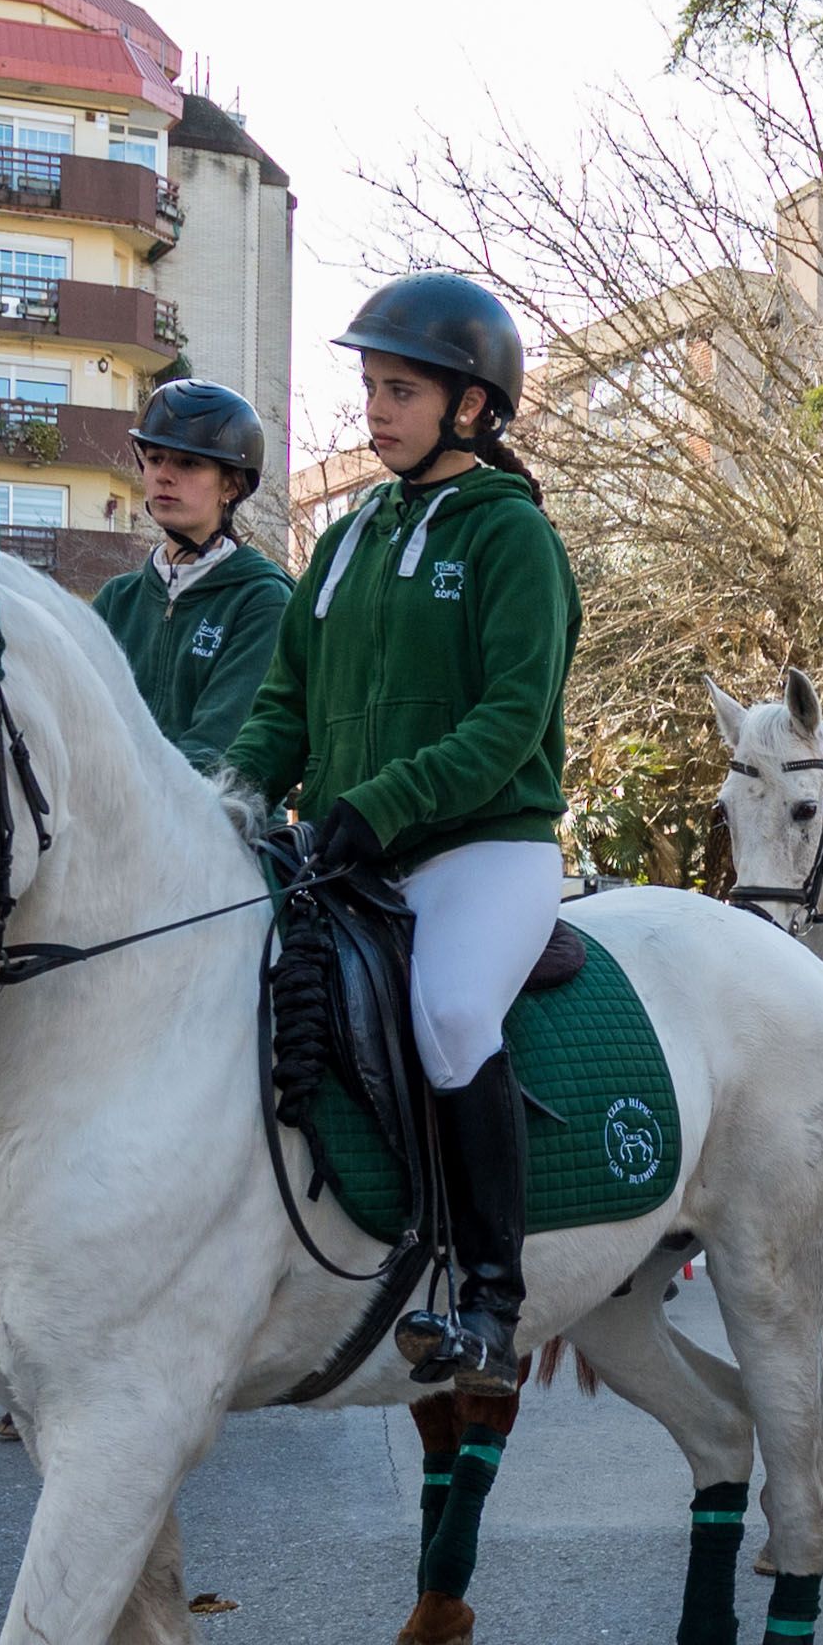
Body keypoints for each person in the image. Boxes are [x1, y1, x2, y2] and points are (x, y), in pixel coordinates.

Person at [224, 271, 576, 1388]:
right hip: (349, 848)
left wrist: (377, 805)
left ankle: (489, 1298)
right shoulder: (345, 540)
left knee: (454, 1012)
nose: (374, 410)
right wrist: (235, 789)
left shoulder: (514, 538)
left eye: (402, 390)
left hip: (485, 847)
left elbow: (509, 720)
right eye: (371, 386)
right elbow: (286, 700)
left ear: (472, 407)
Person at [90, 378, 293, 772]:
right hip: (114, 824)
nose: (164, 475)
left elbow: (216, 748)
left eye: (188, 463)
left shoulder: (262, 599)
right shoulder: (117, 600)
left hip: (222, 825)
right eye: (154, 458)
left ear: (231, 484)